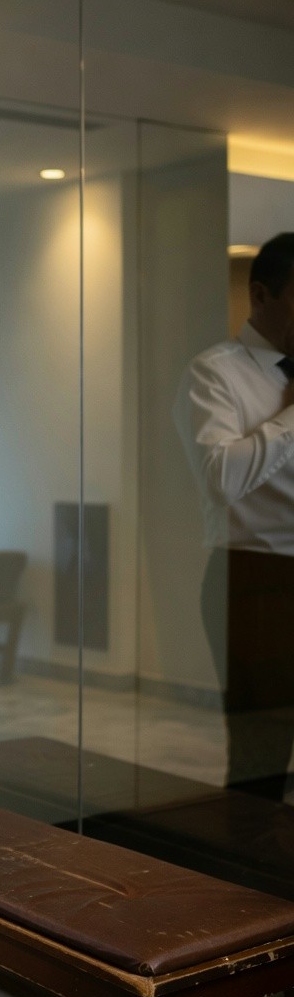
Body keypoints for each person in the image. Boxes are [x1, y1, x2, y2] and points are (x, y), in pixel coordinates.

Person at [174, 232, 294, 796]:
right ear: (263, 294)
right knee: (262, 751)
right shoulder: (216, 372)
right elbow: (221, 478)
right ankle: (249, 879)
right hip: (256, 576)